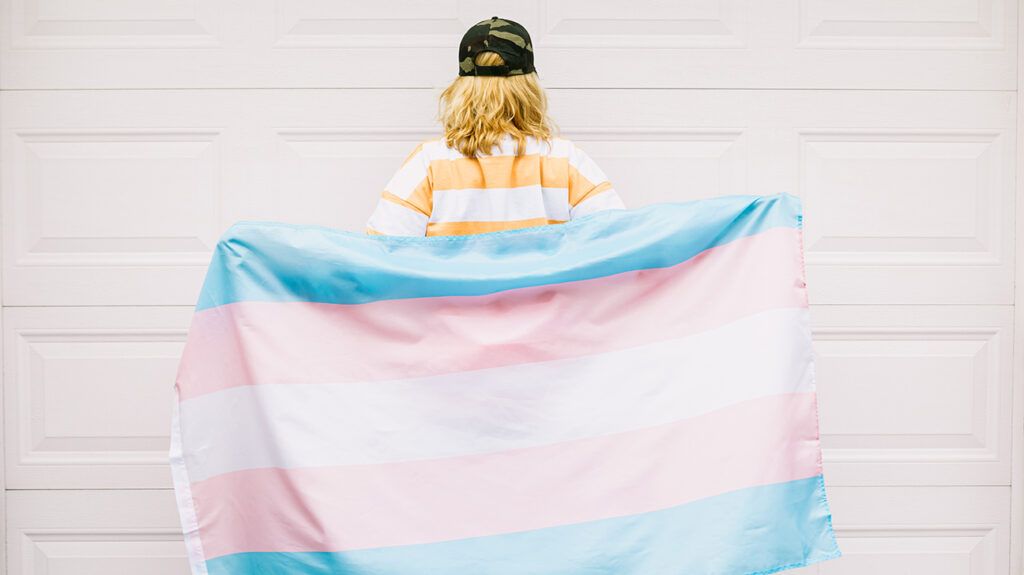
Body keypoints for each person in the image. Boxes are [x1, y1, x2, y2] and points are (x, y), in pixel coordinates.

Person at [365, 16, 626, 237]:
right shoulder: (565, 161)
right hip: (542, 298)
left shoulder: (429, 164)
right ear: (529, 87)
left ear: (461, 88)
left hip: (455, 298)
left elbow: (382, 250)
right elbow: (616, 240)